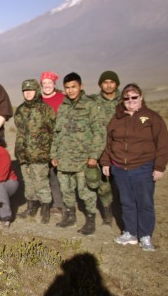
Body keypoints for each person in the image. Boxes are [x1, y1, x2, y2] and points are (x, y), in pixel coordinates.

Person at [101, 84, 168, 251]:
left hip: (143, 167)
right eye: (127, 98)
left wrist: (159, 167)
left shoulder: (152, 117)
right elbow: (109, 142)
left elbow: (163, 144)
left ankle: (145, 235)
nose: (130, 101)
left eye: (134, 97)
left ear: (141, 97)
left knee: (145, 202)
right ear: (122, 100)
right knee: (126, 202)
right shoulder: (117, 118)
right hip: (120, 167)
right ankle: (130, 233)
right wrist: (105, 161)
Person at [50, 72, 105, 235]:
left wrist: (94, 156)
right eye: (67, 87)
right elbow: (57, 133)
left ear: (81, 86)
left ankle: (90, 220)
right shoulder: (63, 107)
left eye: (73, 87)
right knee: (66, 190)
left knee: (86, 192)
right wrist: (54, 154)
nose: (70, 90)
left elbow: (99, 132)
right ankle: (70, 216)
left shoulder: (90, 105)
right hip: (64, 159)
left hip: (83, 160)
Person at [14, 79, 56, 224]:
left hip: (40, 154)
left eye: (31, 90)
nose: (28, 93)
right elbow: (19, 131)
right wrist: (19, 151)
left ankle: (45, 209)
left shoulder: (46, 109)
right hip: (23, 154)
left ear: (37, 91)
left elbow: (53, 132)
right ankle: (31, 208)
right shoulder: (20, 110)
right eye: (25, 91)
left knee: (40, 182)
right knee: (28, 182)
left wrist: (52, 152)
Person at [92, 70, 122, 225]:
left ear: (116, 84)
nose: (108, 85)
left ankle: (123, 212)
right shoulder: (94, 102)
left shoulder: (125, 100)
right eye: (105, 82)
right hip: (101, 148)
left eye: (112, 82)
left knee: (122, 183)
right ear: (100, 85)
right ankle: (107, 213)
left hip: (122, 149)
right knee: (103, 185)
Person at [40, 71, 66, 216]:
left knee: (62, 173)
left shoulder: (62, 98)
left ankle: (65, 203)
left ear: (54, 84)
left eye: (49, 83)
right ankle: (54, 203)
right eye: (44, 83)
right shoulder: (38, 100)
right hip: (43, 143)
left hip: (61, 141)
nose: (47, 86)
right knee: (49, 174)